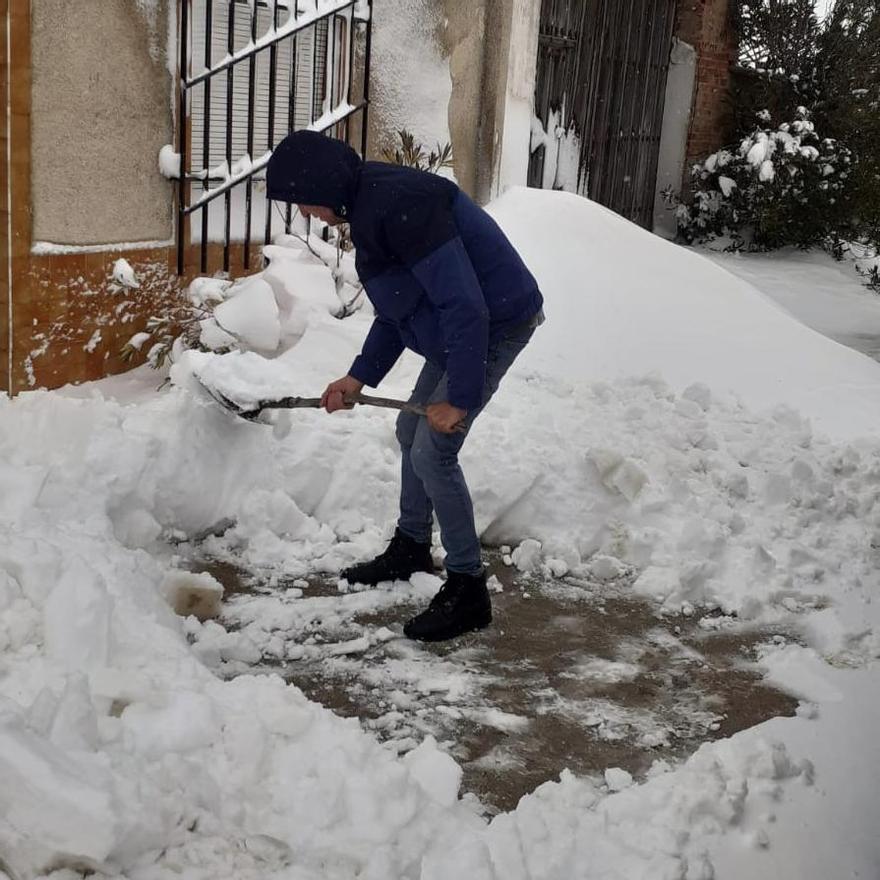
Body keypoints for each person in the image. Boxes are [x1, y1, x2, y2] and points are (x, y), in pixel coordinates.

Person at [266, 130, 543, 642]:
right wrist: (358, 376)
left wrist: (458, 398)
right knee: (410, 432)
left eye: (303, 201)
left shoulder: (400, 205)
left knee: (435, 450)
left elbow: (464, 306)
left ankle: (467, 589)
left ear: (324, 185)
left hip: (496, 323)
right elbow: (399, 308)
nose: (305, 213)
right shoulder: (369, 207)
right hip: (461, 327)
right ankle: (412, 545)